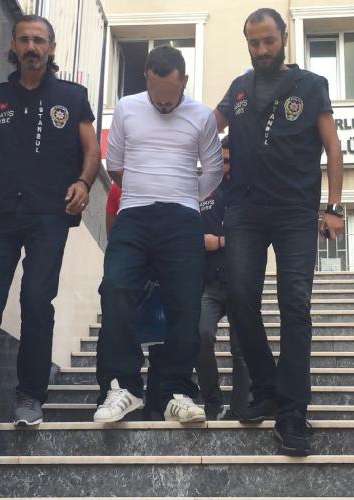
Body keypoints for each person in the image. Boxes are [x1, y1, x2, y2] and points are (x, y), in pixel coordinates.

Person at [0, 14, 101, 442]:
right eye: (25, 40)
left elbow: (92, 150)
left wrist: (84, 182)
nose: (32, 47)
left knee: (36, 301)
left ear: (51, 49)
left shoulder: (72, 97)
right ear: (14, 46)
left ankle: (30, 397)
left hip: (48, 215)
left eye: (39, 40)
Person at [214, 8, 344, 456]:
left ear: (284, 37)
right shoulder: (239, 88)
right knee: (239, 297)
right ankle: (267, 386)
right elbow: (205, 127)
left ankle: (292, 413)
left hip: (294, 211)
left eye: (269, 40)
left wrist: (334, 208)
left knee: (294, 305)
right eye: (254, 42)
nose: (262, 49)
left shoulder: (311, 85)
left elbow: (332, 147)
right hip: (245, 209)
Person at [94, 45, 224, 423]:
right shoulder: (126, 108)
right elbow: (114, 165)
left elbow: (213, 171)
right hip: (133, 214)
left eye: (170, 96)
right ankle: (124, 388)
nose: (163, 103)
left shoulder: (201, 116)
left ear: (184, 81)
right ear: (146, 81)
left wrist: (184, 197)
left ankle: (175, 392)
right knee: (116, 286)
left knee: (185, 303)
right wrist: (146, 189)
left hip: (183, 219)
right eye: (156, 95)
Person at [197, 136, 250, 421]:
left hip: (241, 282)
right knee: (200, 335)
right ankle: (212, 402)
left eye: (229, 161)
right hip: (209, 283)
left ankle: (240, 408)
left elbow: (254, 238)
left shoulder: (250, 191)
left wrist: (218, 242)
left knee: (242, 349)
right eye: (220, 160)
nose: (223, 166)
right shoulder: (203, 190)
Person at [105, 183, 164, 421]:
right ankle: (119, 391)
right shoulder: (118, 187)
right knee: (117, 331)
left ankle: (156, 405)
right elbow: (113, 233)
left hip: (159, 274)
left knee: (161, 341)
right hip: (130, 275)